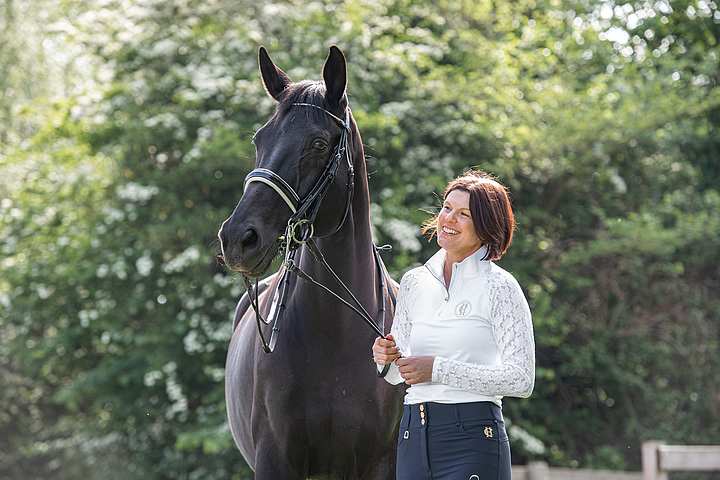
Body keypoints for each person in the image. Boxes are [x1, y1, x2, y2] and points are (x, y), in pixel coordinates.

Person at [372, 170, 535, 480]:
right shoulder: (414, 282)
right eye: (447, 208)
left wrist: (437, 369)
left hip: (473, 437)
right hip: (411, 436)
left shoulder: (500, 287)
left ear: (486, 227)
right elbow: (397, 375)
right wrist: (385, 359)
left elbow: (521, 380)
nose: (448, 219)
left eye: (464, 214)